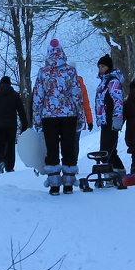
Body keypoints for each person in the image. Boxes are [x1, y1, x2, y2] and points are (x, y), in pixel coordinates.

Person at [32, 39, 85, 195]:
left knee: (52, 150)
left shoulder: (43, 72)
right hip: (69, 115)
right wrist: (80, 116)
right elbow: (77, 95)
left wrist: (36, 119)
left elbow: (38, 97)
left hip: (49, 117)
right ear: (62, 52)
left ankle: (54, 185)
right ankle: (68, 183)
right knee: (69, 149)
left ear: (48, 53)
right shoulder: (70, 71)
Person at [0, 76, 29, 173]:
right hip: (11, 126)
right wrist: (24, 124)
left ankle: (1, 162)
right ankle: (10, 167)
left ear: (0, 83)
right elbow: (21, 111)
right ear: (10, 84)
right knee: (10, 146)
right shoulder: (15, 95)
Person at [94, 55, 126, 177]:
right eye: (99, 66)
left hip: (111, 119)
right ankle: (113, 174)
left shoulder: (113, 81)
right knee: (105, 151)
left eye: (103, 66)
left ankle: (118, 174)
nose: (100, 68)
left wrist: (117, 118)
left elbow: (118, 100)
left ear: (108, 67)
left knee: (109, 150)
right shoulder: (103, 81)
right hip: (104, 120)